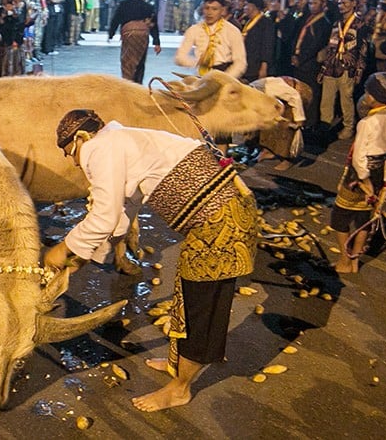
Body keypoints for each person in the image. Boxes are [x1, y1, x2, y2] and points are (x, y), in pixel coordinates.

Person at [44, 109, 258, 412]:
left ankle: (180, 389)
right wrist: (83, 257)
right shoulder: (120, 142)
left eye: (70, 153)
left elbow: (104, 217)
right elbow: (121, 213)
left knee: (202, 306)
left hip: (220, 221)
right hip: (221, 215)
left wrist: (63, 248)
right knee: (188, 288)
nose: (73, 160)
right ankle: (177, 363)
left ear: (81, 138)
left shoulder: (100, 149)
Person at [330, 73, 386, 273]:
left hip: (359, 178)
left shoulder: (367, 123)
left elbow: (359, 156)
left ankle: (344, 260)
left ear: (371, 96)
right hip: (379, 174)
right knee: (364, 220)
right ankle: (355, 261)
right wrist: (384, 182)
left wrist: (364, 179)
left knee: (340, 218)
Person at [175, 0, 246, 153]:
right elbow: (180, 57)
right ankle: (201, 157)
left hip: (223, 74)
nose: (209, 12)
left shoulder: (232, 31)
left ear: (222, 10)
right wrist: (196, 62)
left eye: (214, 9)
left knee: (222, 123)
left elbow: (240, 61)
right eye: (207, 8)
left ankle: (222, 160)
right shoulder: (195, 29)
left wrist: (226, 79)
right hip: (202, 76)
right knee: (200, 118)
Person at [317, 0, 369, 140]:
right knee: (326, 100)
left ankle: (348, 127)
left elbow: (363, 50)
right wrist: (324, 67)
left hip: (348, 68)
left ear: (354, 4)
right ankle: (324, 126)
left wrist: (359, 70)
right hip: (332, 65)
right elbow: (331, 45)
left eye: (345, 2)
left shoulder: (360, 25)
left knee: (346, 100)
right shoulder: (336, 23)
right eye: (339, 2)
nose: (341, 5)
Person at [253, 77, 312, 171]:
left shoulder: (271, 89)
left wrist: (299, 119)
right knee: (268, 122)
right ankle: (268, 151)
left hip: (298, 96)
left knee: (286, 128)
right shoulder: (255, 88)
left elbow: (295, 97)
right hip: (281, 100)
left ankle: (288, 159)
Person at [107, 0, 161, 84]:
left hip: (128, 32)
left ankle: (128, 84)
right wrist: (157, 42)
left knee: (127, 59)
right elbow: (153, 25)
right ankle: (138, 84)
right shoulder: (148, 6)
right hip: (143, 33)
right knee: (140, 60)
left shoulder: (123, 5)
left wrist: (111, 34)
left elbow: (115, 20)